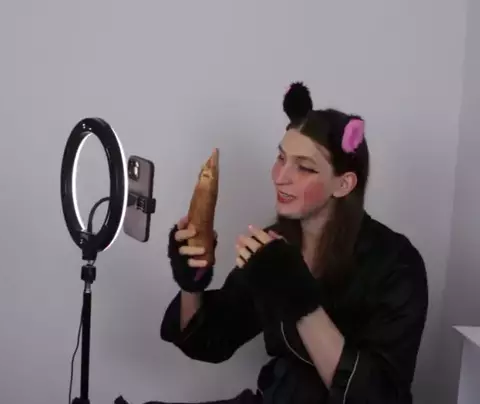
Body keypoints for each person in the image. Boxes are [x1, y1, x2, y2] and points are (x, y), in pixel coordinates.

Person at [148, 83, 429, 404]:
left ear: (343, 184)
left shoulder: (395, 264)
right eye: (281, 157)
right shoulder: (272, 247)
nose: (280, 176)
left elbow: (376, 397)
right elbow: (211, 342)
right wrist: (191, 282)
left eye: (304, 167)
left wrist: (300, 300)